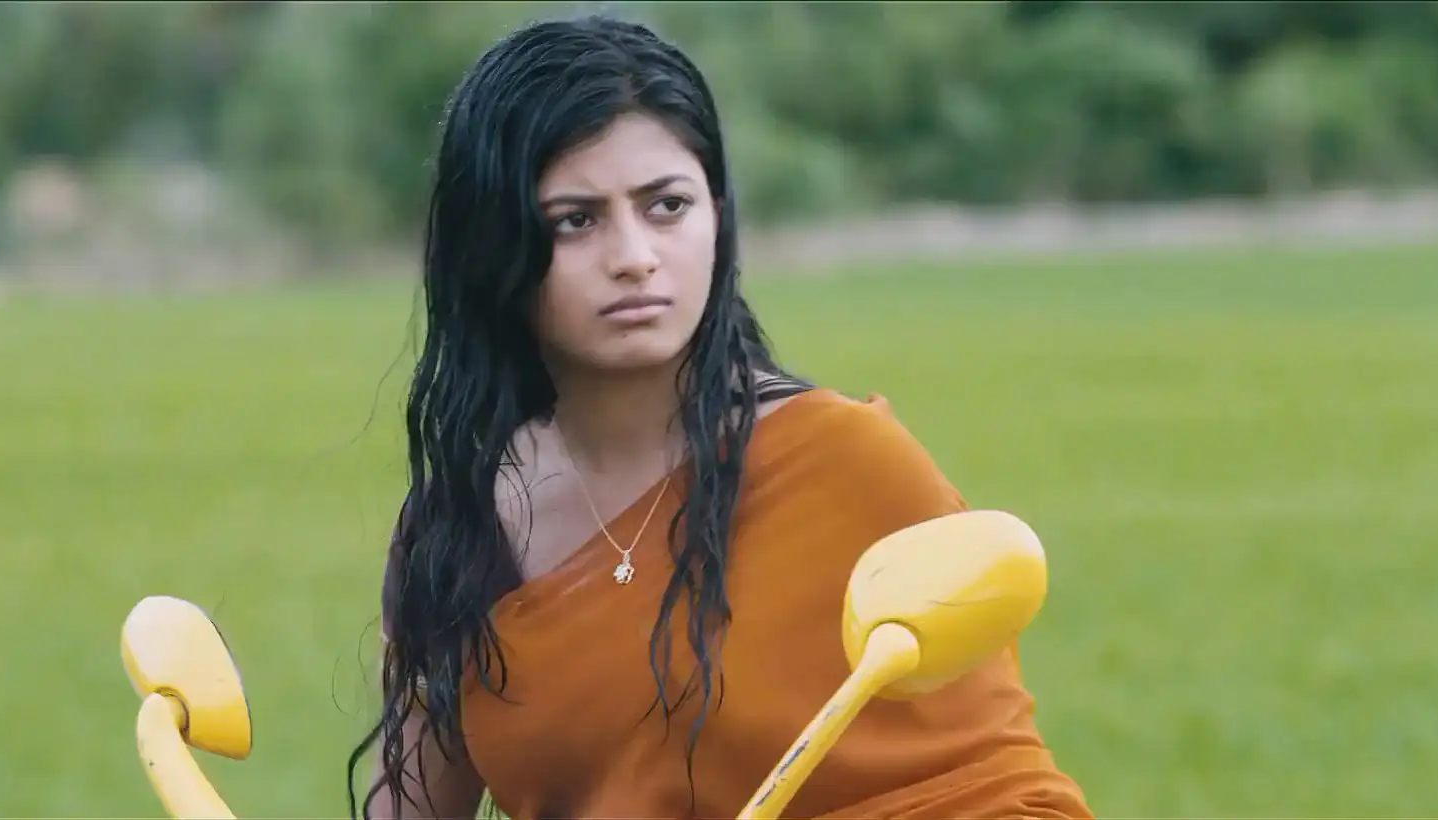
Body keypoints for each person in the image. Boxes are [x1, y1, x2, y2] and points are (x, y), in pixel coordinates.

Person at [346, 13, 1091, 820]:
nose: (635, 257)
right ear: (490, 245)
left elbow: (1003, 791)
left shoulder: (848, 463)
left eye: (666, 206)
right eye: (575, 220)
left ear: (717, 215)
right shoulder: (459, 528)